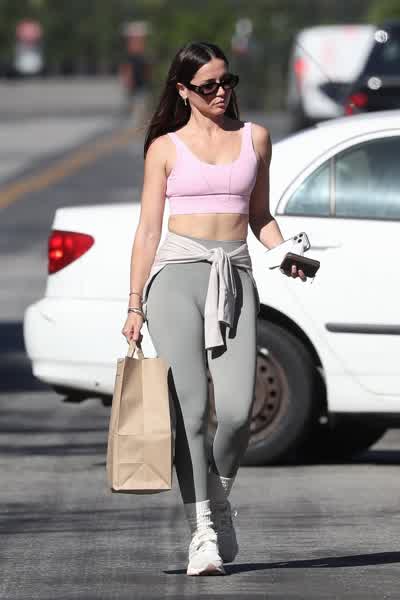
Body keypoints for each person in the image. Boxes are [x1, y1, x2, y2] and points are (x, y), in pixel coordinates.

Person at [121, 41, 306, 576]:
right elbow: (148, 231)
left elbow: (260, 216)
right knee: (192, 411)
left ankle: (218, 501)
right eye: (208, 86)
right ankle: (202, 531)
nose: (221, 92)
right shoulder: (164, 148)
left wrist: (284, 252)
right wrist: (134, 304)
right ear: (184, 91)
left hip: (235, 277)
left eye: (228, 82)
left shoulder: (255, 138)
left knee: (238, 412)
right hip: (176, 279)